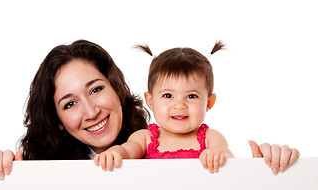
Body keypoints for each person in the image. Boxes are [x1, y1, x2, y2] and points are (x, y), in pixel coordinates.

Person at [0, 39, 299, 179]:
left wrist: (263, 172)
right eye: (70, 103)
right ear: (56, 120)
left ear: (118, 92)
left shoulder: (151, 140)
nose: (90, 111)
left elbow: (222, 169)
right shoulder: (43, 172)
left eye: (97, 89)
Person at [94, 41, 299, 174]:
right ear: (151, 101)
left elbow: (228, 158)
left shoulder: (210, 137)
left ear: (208, 103)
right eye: (167, 95)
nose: (179, 105)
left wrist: (218, 155)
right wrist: (116, 153)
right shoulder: (145, 138)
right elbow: (127, 151)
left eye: (191, 96)